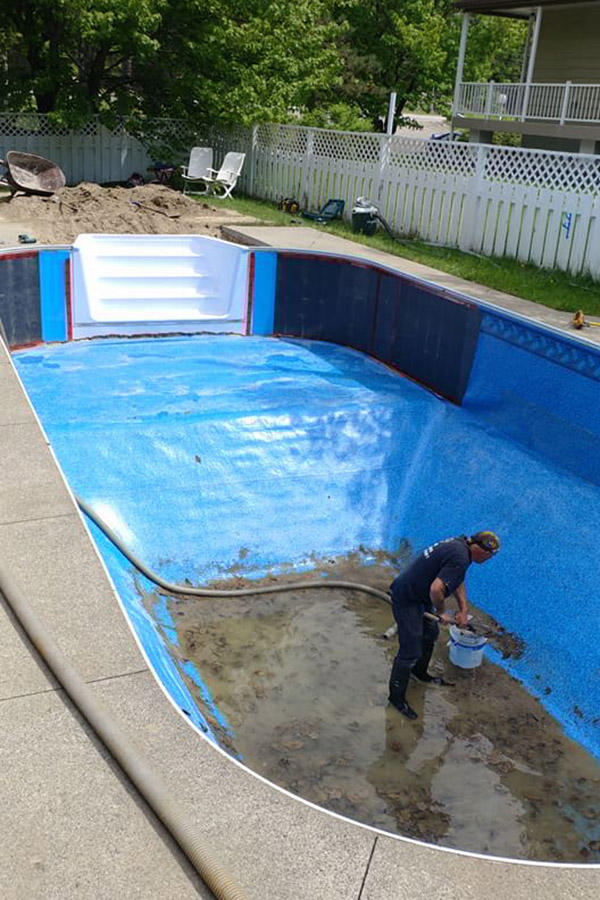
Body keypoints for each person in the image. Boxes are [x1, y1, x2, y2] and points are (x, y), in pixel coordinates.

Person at [388, 531, 500, 720]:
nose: (488, 560)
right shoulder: (460, 557)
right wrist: (441, 612)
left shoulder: (460, 546)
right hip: (407, 598)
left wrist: (463, 609)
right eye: (490, 556)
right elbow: (436, 589)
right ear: (482, 550)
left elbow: (456, 578)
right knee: (410, 651)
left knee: (430, 634)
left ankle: (419, 672)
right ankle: (396, 698)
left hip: (420, 596)